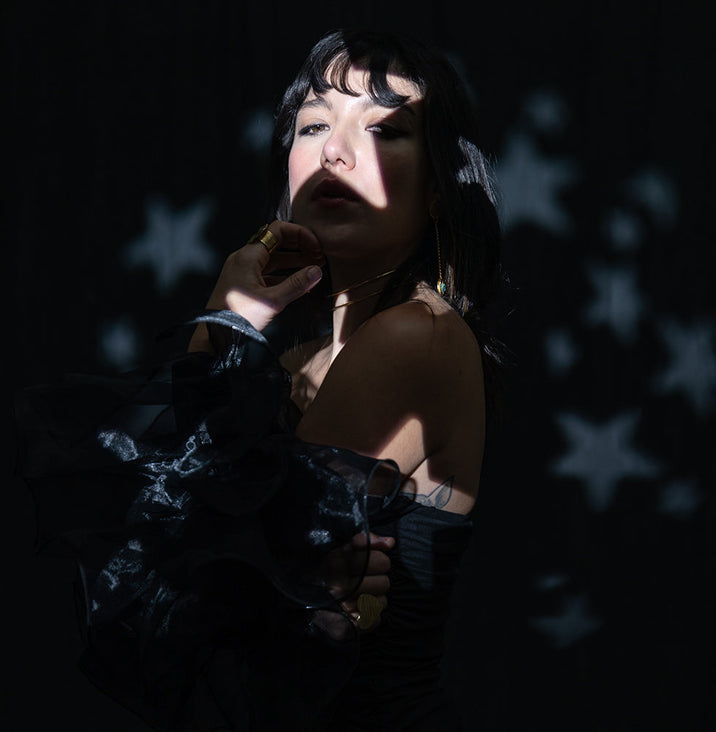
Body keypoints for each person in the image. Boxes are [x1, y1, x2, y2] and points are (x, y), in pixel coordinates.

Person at [15, 27, 504, 732]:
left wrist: (223, 331)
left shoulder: (414, 336)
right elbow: (150, 527)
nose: (335, 151)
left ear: (437, 189)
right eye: (313, 124)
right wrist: (225, 318)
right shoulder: (294, 367)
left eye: (384, 129)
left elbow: (184, 574)